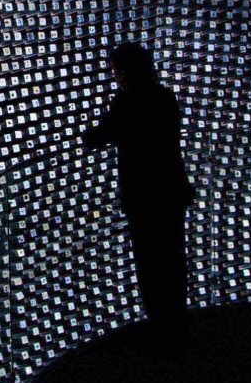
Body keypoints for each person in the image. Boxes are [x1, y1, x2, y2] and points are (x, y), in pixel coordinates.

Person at [82, 42, 194, 349]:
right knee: (172, 259)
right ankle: (177, 325)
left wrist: (90, 135)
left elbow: (101, 135)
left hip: (144, 195)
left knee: (150, 263)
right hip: (171, 190)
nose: (115, 75)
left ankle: (161, 329)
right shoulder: (164, 97)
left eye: (116, 69)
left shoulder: (128, 101)